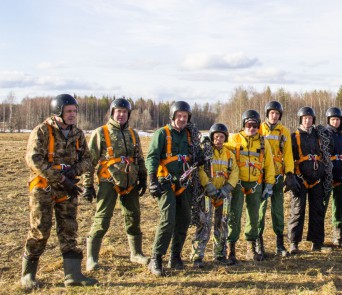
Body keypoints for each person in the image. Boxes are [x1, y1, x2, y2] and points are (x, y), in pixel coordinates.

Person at [21, 94, 97, 289]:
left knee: (69, 230)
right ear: (58, 112)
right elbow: (34, 160)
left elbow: (88, 160)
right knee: (40, 230)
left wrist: (74, 171)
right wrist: (61, 178)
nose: (73, 115)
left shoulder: (78, 134)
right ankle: (27, 275)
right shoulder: (42, 131)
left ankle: (73, 275)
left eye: (75, 111)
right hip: (44, 188)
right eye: (69, 111)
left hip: (68, 189)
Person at [83, 98, 148, 272]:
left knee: (134, 217)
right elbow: (90, 162)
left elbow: (139, 157)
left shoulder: (133, 134)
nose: (121, 115)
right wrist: (88, 185)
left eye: (125, 112)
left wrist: (143, 178)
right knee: (102, 219)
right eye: (118, 111)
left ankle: (136, 253)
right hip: (108, 181)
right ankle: (92, 258)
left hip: (131, 181)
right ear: (112, 113)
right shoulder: (101, 132)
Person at [146, 101, 200, 276]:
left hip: (184, 183)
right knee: (168, 218)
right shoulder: (162, 134)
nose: (182, 119)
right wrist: (152, 180)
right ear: (173, 116)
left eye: (185, 117)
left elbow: (193, 155)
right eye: (179, 116)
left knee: (184, 219)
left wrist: (198, 159)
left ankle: (175, 256)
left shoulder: (190, 135)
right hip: (165, 182)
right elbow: (152, 157)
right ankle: (156, 258)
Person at [225, 110, 275, 262]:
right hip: (238, 183)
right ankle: (230, 249)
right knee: (234, 214)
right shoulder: (234, 140)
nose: (251, 128)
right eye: (248, 125)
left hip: (256, 183)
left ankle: (251, 247)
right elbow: (219, 147)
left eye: (255, 126)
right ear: (243, 125)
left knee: (254, 216)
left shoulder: (263, 142)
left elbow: (269, 164)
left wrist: (269, 185)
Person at [191, 123, 239, 266]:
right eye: (216, 137)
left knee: (222, 224)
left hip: (223, 195)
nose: (219, 139)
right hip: (207, 194)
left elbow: (235, 172)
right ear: (212, 137)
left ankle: (220, 254)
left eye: (222, 137)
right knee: (203, 223)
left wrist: (228, 188)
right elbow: (199, 169)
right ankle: (197, 256)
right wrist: (208, 185)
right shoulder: (205, 152)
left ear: (225, 138)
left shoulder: (229, 154)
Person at [287, 106, 331, 253]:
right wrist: (290, 177)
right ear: (300, 120)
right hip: (300, 179)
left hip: (317, 180)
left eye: (310, 118)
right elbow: (288, 158)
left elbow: (324, 155)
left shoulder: (319, 136)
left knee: (318, 211)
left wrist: (325, 173)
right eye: (305, 118)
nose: (307, 121)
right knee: (298, 211)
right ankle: (294, 243)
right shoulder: (293, 137)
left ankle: (317, 242)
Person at [258, 101, 294, 257]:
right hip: (261, 176)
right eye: (272, 113)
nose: (274, 116)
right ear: (267, 114)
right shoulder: (258, 129)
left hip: (278, 175)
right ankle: (258, 244)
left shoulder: (284, 131)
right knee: (259, 211)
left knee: (278, 211)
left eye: (277, 114)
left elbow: (287, 153)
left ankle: (280, 244)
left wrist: (290, 173)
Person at [325, 107, 342, 247]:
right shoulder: (325, 134)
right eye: (333, 119)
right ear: (329, 120)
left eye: (337, 119)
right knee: (322, 207)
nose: (335, 122)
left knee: (339, 206)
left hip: (341, 175)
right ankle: (318, 238)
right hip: (327, 175)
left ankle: (338, 235)